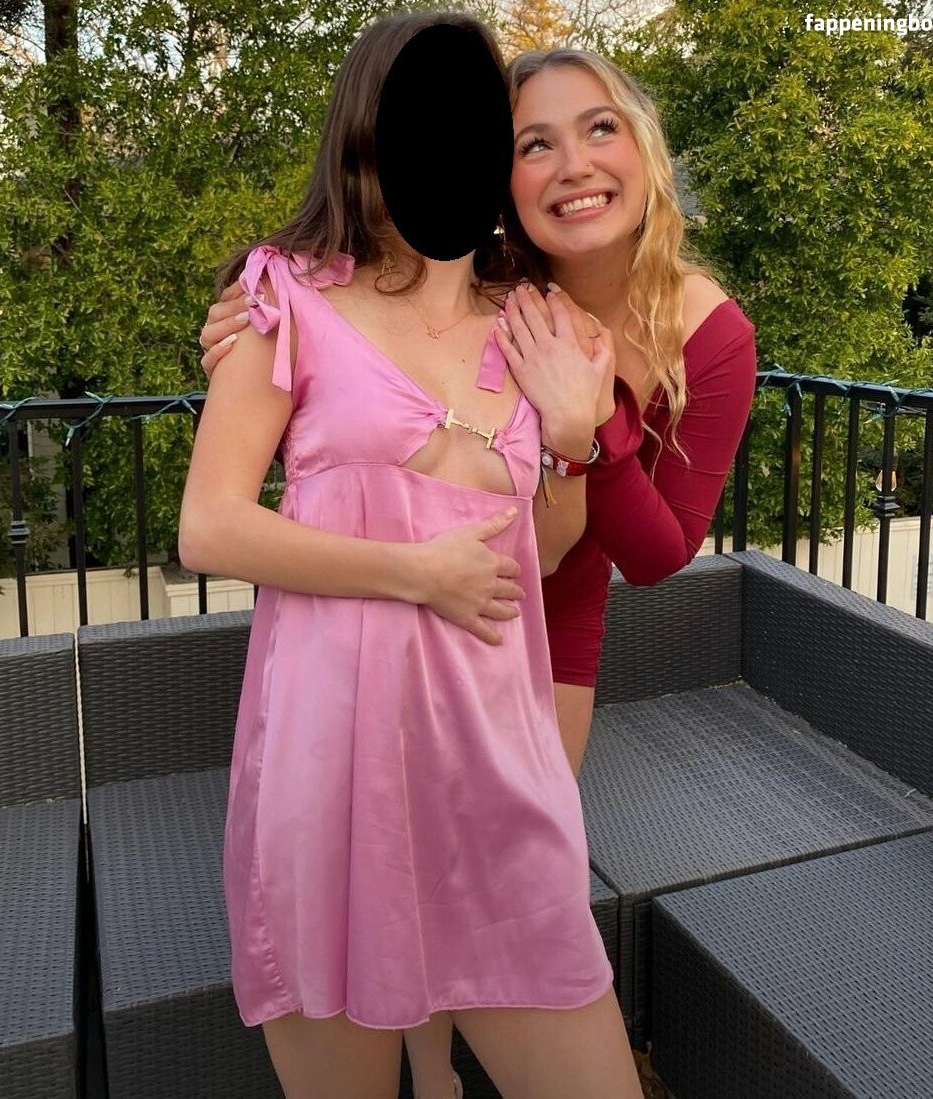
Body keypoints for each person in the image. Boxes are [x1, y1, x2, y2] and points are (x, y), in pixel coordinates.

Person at [197, 36, 757, 1099]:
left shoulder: (654, 329)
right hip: (356, 696)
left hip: (522, 656)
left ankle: (439, 1054)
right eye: (532, 143)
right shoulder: (376, 287)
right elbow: (218, 513)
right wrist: (258, 321)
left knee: (512, 915)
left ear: (642, 147)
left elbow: (605, 549)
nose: (570, 164)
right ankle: (433, 1064)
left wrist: (583, 433)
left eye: (598, 129)